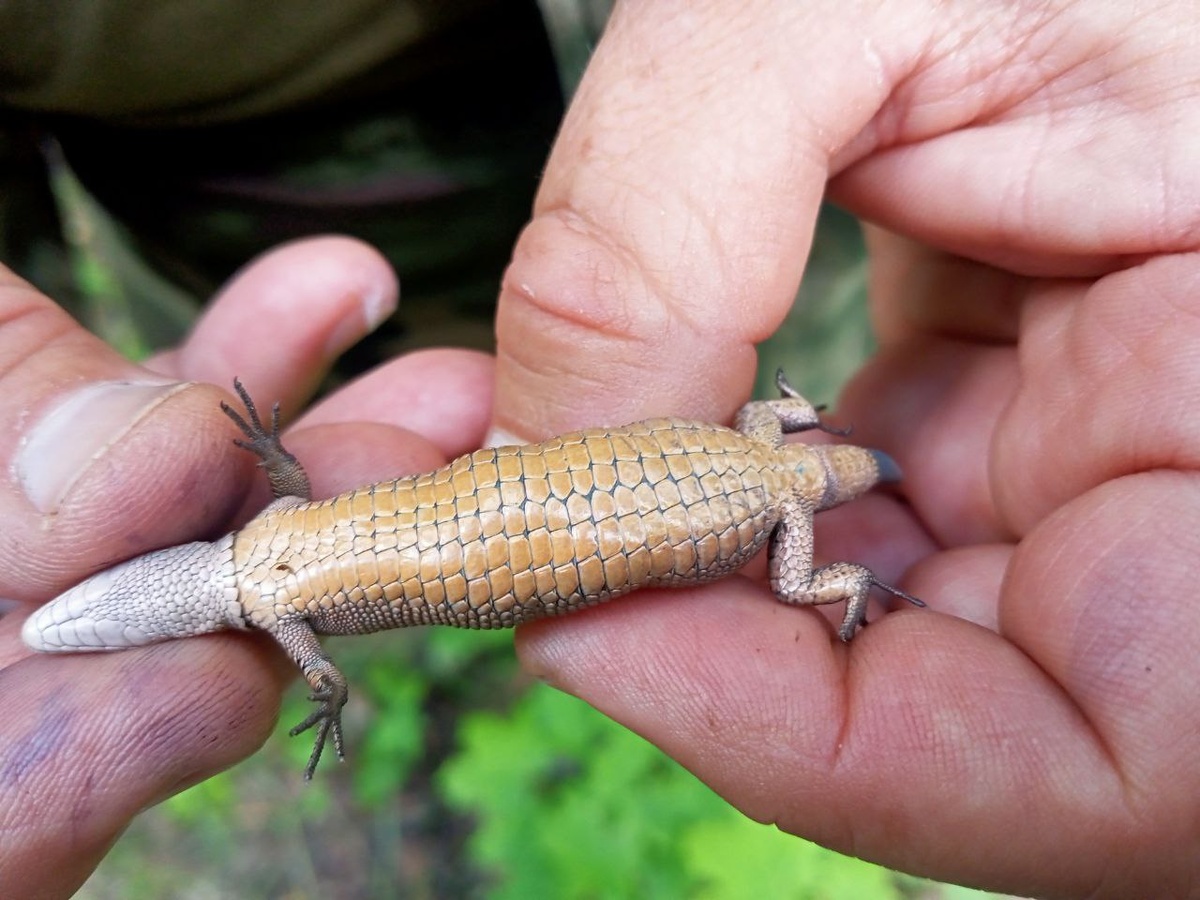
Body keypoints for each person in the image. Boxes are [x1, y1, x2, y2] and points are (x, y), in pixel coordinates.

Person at [1, 1, 1197, 897]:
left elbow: (294, 497)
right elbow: (297, 528)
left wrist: (821, 506)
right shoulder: (779, 497)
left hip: (556, 486)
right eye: (848, 467)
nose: (846, 473)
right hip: (558, 499)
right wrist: (836, 569)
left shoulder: (764, 450)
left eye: (849, 469)